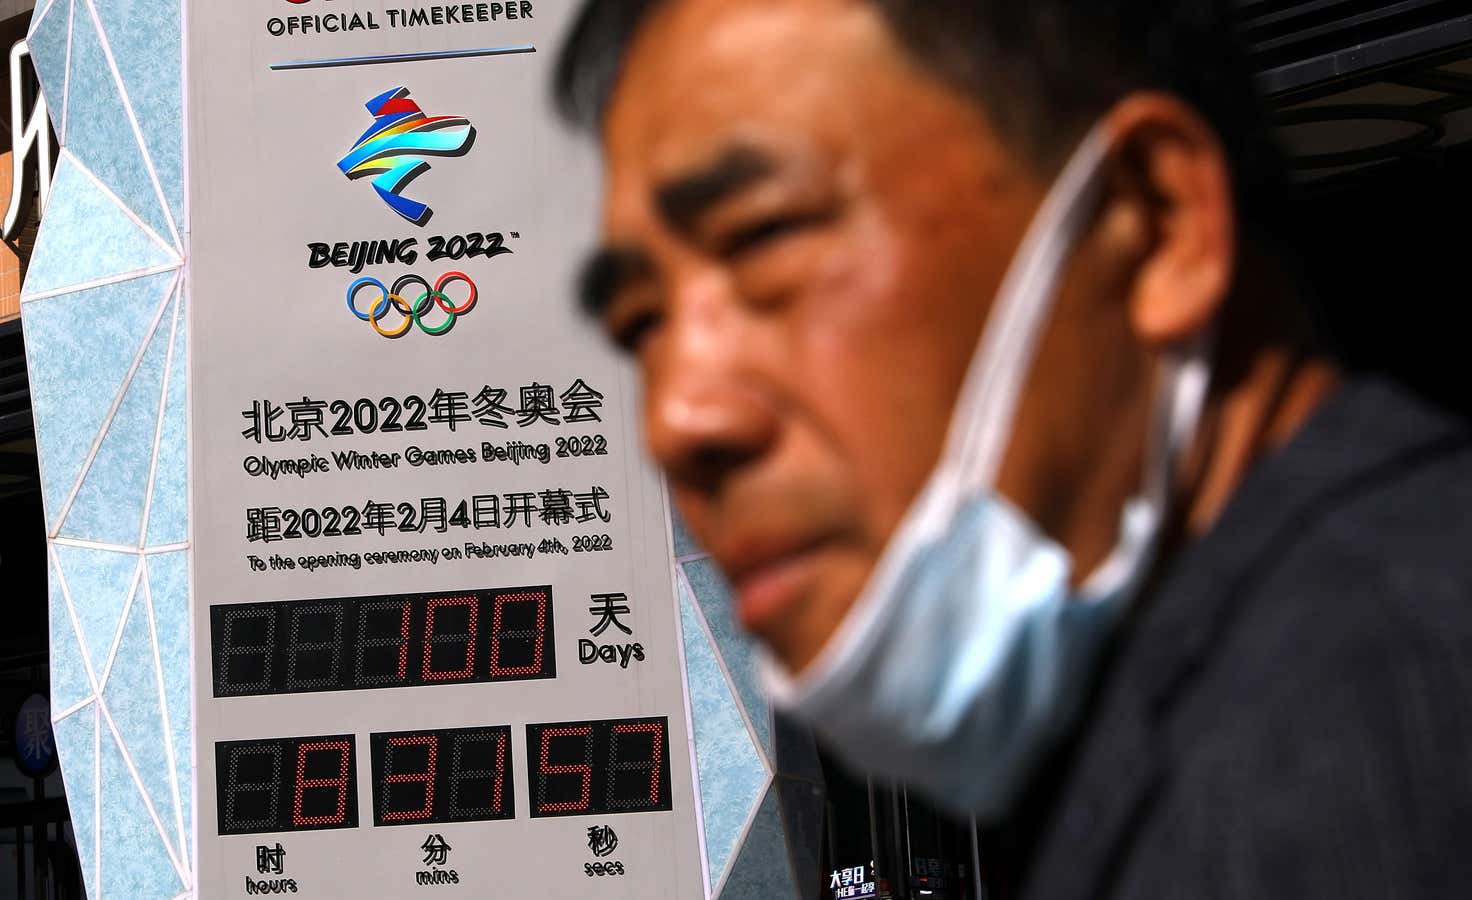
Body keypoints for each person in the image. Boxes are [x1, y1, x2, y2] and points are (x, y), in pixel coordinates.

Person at [553, 0, 1472, 896]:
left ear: (1151, 222)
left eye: (765, 238)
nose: (678, 416)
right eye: (643, 324)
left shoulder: (1373, 719)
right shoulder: (1198, 709)